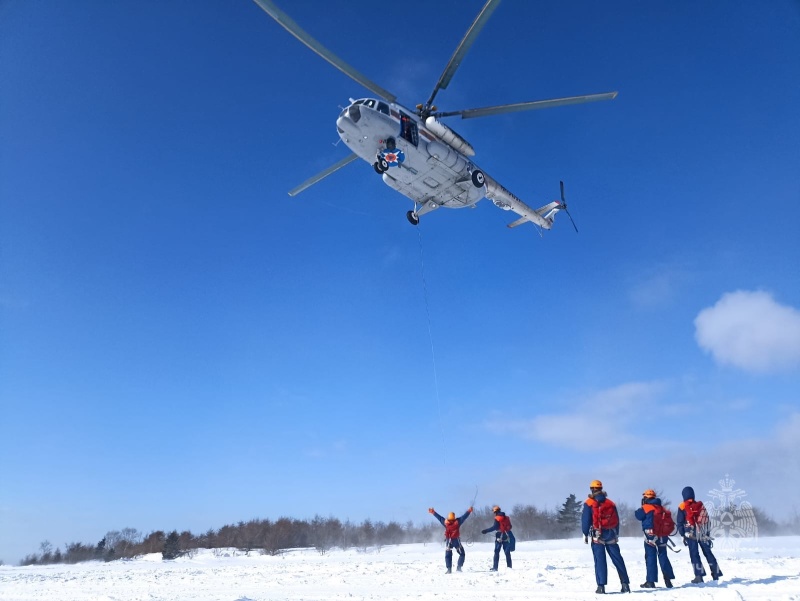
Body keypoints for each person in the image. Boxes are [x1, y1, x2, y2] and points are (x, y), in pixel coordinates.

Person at [582, 479, 631, 594]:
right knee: (618, 559)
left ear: (591, 489)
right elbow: (617, 519)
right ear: (601, 489)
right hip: (611, 534)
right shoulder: (610, 503)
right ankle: (625, 584)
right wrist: (616, 533)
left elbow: (586, 520)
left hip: (597, 534)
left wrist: (585, 533)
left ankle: (601, 587)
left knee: (600, 560)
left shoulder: (589, 502)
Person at [676, 486, 723, 583]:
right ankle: (716, 573)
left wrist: (683, 534)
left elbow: (680, 522)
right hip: (702, 532)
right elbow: (707, 520)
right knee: (708, 553)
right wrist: (707, 533)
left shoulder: (682, 506)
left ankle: (699, 576)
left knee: (694, 554)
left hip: (690, 533)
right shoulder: (700, 505)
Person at [634, 489, 676, 589]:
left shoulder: (646, 507)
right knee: (663, 556)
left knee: (650, 557)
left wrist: (642, 505)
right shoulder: (662, 508)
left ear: (646, 498)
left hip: (650, 536)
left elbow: (637, 515)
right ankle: (668, 580)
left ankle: (650, 581)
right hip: (663, 536)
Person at [429, 506, 473, 573]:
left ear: (448, 518)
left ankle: (449, 569)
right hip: (456, 541)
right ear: (454, 518)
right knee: (462, 554)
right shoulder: (458, 522)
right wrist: (469, 510)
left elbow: (439, 518)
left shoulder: (445, 523)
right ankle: (459, 568)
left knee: (448, 554)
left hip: (448, 541)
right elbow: (465, 516)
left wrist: (433, 512)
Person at [481, 505, 514, 571]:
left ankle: (495, 568)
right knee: (507, 552)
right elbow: (510, 526)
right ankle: (509, 568)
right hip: (507, 535)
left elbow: (495, 527)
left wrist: (486, 531)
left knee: (496, 551)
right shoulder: (507, 517)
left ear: (495, 512)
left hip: (499, 536)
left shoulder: (497, 518)